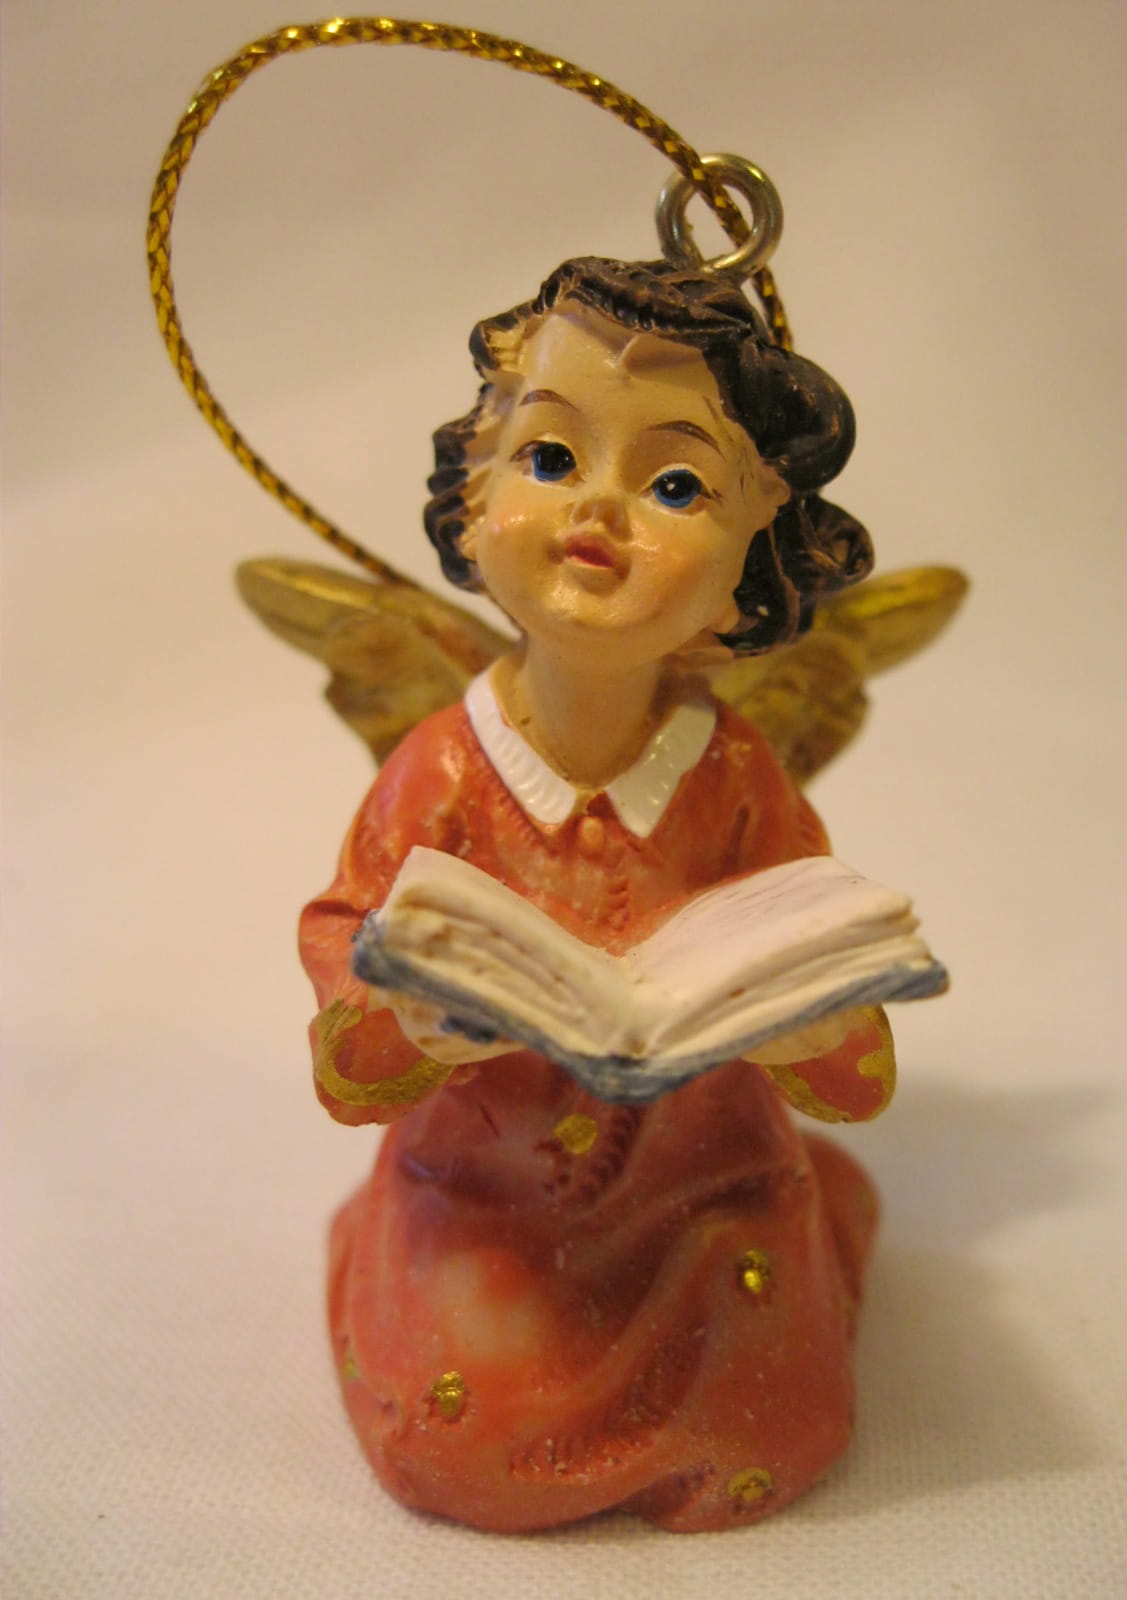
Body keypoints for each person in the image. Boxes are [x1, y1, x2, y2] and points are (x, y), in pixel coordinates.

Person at [299, 256, 896, 1532]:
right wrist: (410, 1020)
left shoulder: (734, 775)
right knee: (461, 1432)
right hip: (490, 1173)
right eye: (552, 457)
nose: (600, 511)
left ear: (750, 558)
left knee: (771, 1414)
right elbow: (348, 942)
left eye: (676, 483)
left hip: (705, 1172)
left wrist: (808, 1021)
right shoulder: (441, 772)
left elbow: (819, 951)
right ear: (474, 500)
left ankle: (804, 1243)